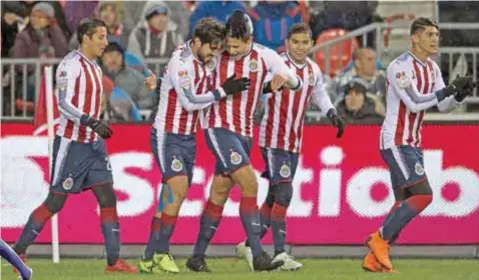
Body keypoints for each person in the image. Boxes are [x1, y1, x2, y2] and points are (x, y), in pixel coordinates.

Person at [12, 19, 154, 274]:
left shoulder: (95, 67)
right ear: (86, 37)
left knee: (108, 197)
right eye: (100, 36)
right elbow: (63, 103)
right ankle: (18, 251)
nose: (105, 42)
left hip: (93, 144)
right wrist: (90, 121)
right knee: (55, 202)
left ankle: (113, 262)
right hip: (72, 144)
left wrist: (99, 120)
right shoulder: (70, 65)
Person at [185, 10, 303, 273]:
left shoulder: (265, 56)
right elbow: (192, 70)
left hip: (245, 132)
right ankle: (257, 254)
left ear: (249, 39)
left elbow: (295, 81)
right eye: (229, 44)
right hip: (218, 127)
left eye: (237, 46)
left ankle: (196, 257)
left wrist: (284, 80)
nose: (232, 50)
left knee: (219, 193)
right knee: (250, 183)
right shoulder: (217, 55)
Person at [363, 17, 476, 273]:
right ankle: (379, 239)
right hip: (395, 140)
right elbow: (414, 102)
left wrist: (459, 95)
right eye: (429, 35)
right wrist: (446, 92)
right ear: (415, 38)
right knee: (423, 195)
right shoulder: (400, 67)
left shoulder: (433, 69)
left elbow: (442, 106)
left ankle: (374, 259)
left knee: (402, 201)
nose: (435, 39)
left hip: (413, 142)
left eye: (437, 35)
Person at [137, 18, 249, 274]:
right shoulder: (182, 63)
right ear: (197, 41)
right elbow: (188, 102)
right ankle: (163, 252)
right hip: (168, 134)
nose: (214, 54)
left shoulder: (206, 58)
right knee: (178, 189)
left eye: (218, 49)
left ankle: (147, 257)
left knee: (169, 199)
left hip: (188, 137)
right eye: (212, 48)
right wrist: (223, 91)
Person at [235, 23, 345, 271]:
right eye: (295, 42)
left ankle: (249, 245)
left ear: (312, 44)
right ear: (287, 42)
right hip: (273, 139)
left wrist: (332, 113)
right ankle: (280, 253)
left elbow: (319, 94)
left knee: (275, 196)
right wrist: (264, 91)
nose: (300, 47)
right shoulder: (276, 65)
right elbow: (254, 89)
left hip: (294, 141)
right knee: (284, 193)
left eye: (305, 42)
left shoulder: (313, 70)